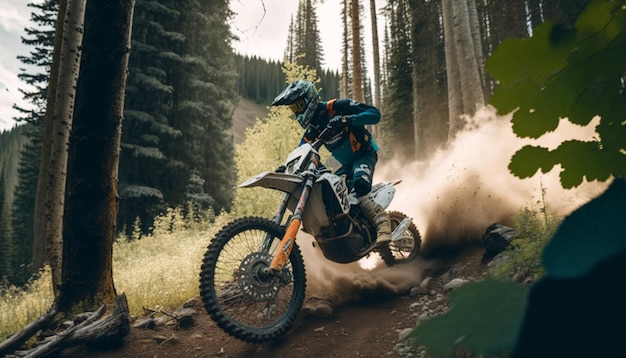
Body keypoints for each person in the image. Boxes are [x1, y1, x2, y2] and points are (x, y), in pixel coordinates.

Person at [271, 79, 391, 245]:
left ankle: (382, 223)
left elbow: (374, 114)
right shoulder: (312, 130)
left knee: (360, 185)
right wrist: (286, 168)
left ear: (310, 98)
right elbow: (302, 152)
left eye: (298, 106)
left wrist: (347, 120)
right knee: (329, 194)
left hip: (364, 154)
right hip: (347, 166)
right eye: (293, 109)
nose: (297, 112)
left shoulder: (336, 107)